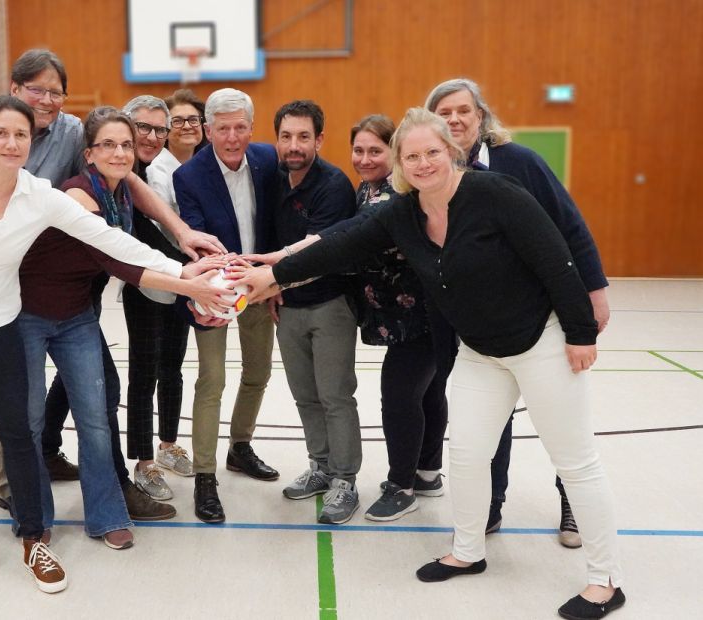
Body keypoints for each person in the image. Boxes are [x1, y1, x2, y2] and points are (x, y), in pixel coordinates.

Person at [236, 107, 626, 620]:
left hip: (541, 342)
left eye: (432, 153)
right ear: (400, 162)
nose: (422, 164)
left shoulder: (496, 195)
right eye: (412, 156)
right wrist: (275, 276)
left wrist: (578, 332)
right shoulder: (404, 211)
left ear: (452, 152)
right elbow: (341, 246)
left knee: (576, 462)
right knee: (466, 455)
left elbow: (556, 257)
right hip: (481, 353)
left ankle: (605, 581)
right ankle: (468, 551)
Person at [0, 50, 224, 548]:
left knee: (62, 415)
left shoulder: (70, 159)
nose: (46, 100)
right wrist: (190, 283)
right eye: (36, 90)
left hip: (48, 308)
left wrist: (182, 239)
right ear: (12, 90)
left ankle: (37, 503)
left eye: (56, 91)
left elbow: (121, 236)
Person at [18, 106, 230, 550]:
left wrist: (182, 236)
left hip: (77, 314)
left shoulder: (120, 185)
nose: (120, 153)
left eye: (127, 145)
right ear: (88, 154)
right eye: (108, 145)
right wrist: (188, 283)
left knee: (97, 416)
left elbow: (134, 185)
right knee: (31, 420)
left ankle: (107, 513)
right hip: (27, 314)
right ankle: (33, 517)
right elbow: (123, 260)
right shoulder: (79, 196)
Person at [425, 78, 610, 547]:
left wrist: (594, 293)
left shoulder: (520, 163)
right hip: (476, 327)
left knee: (561, 425)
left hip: (539, 321)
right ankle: (490, 506)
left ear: (481, 116)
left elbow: (570, 227)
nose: (454, 120)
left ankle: (572, 506)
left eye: (463, 110)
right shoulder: (430, 173)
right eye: (443, 112)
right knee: (487, 423)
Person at [244, 114, 449, 521]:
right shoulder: (366, 189)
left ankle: (376, 482)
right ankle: (416, 473)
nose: (366, 158)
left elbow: (341, 243)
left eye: (377, 150)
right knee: (417, 393)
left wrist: (277, 272)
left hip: (419, 311)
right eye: (359, 150)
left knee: (390, 396)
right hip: (388, 311)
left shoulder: (395, 194)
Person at [173, 87, 281, 523]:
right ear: (207, 130)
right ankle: (205, 476)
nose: (232, 137)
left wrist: (274, 284)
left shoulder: (269, 160)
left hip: (259, 286)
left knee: (259, 372)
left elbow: (277, 220)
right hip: (215, 291)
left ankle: (240, 446)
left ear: (251, 128)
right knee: (212, 380)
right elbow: (196, 241)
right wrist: (211, 289)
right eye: (222, 129)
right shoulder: (190, 176)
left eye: (240, 128)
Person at [263, 99, 361, 524]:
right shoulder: (273, 180)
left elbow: (319, 254)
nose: (294, 145)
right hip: (287, 309)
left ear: (319, 140)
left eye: (304, 136)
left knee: (335, 396)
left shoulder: (334, 185)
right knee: (305, 396)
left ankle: (345, 481)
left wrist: (271, 282)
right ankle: (320, 467)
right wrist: (272, 290)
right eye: (286, 136)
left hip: (330, 306)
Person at [121, 89, 209, 501]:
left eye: (161, 129)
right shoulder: (125, 172)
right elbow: (143, 238)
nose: (154, 136)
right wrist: (189, 268)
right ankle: (142, 462)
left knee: (173, 366)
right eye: (145, 127)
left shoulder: (155, 171)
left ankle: (169, 444)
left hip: (179, 282)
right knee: (144, 372)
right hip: (146, 285)